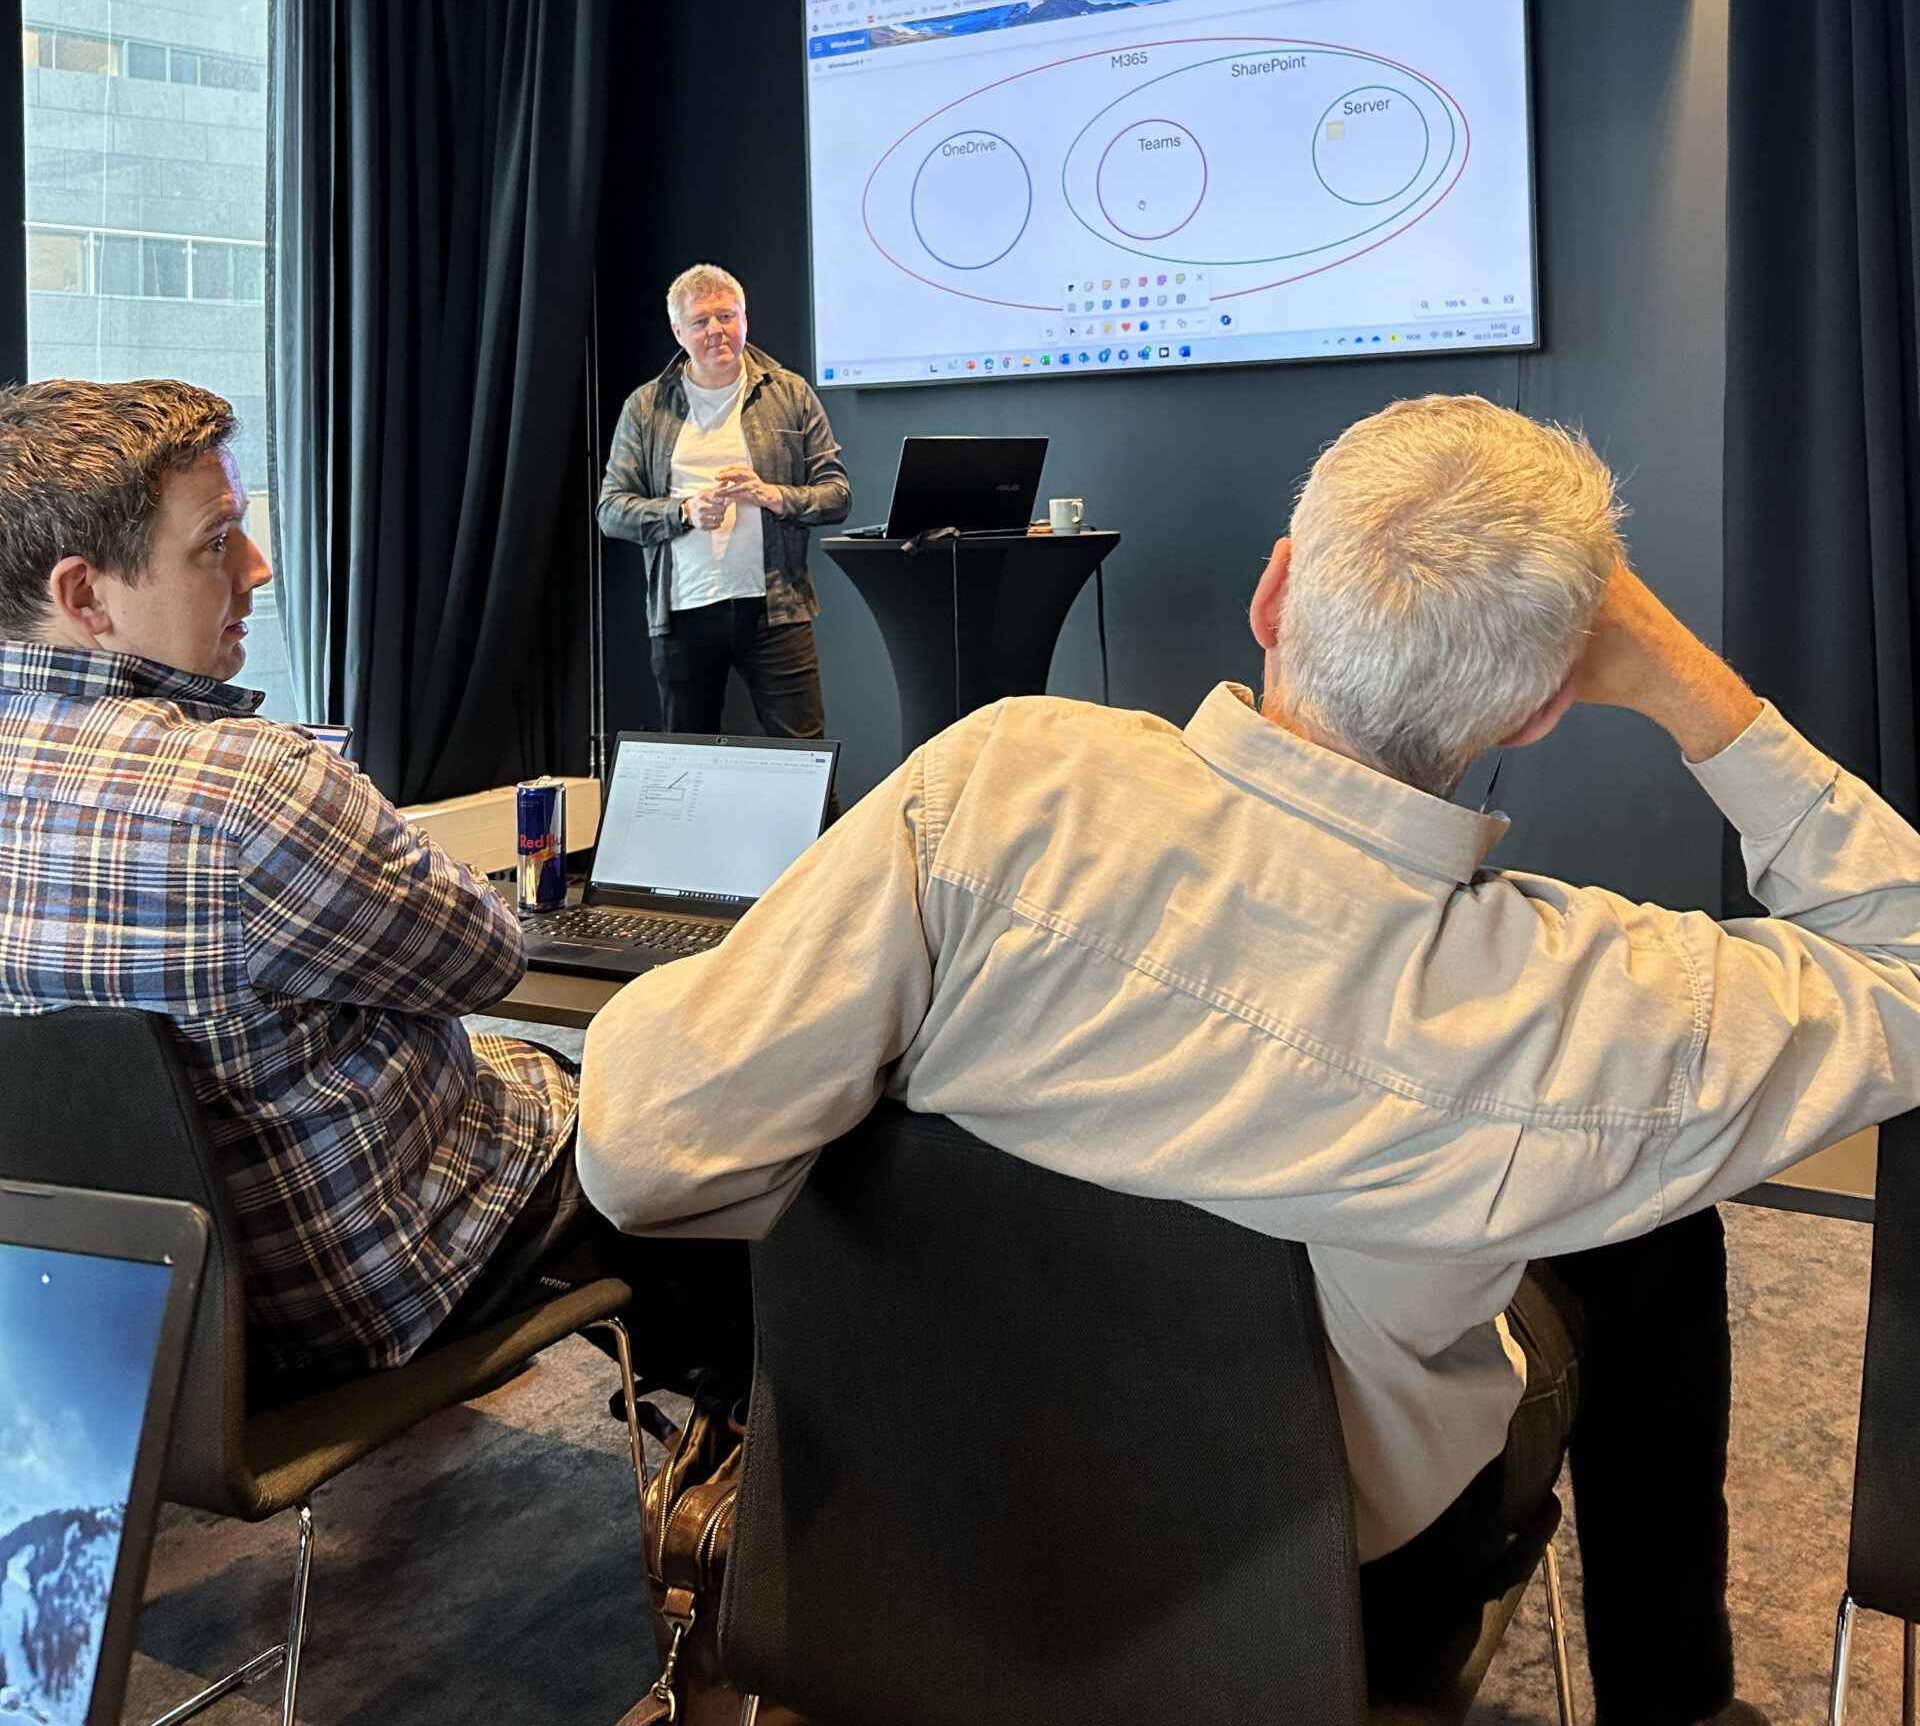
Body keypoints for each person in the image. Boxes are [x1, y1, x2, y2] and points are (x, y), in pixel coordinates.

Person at [577, 392, 1920, 1726]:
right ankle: (1673, 1700)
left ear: (1275, 595)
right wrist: (1683, 680)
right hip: (1324, 1596)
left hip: (930, 1514)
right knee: (1657, 1226)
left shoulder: (991, 786)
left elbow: (638, 1155)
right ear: (1536, 715)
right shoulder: (1588, 1008)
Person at [0, 377, 748, 1393]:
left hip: (119, 1329)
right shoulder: (245, 787)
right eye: (217, 541)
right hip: (358, 1297)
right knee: (691, 1118)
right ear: (86, 597)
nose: (258, 568)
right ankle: (747, 1436)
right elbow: (486, 959)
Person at [597, 264, 850, 738]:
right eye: (700, 321)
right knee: (689, 762)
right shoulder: (646, 407)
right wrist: (683, 512)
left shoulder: (790, 393)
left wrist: (772, 495)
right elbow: (610, 510)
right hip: (683, 612)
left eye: (727, 316)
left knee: (805, 758)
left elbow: (836, 495)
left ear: (745, 319)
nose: (716, 330)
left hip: (776, 609)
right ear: (678, 332)